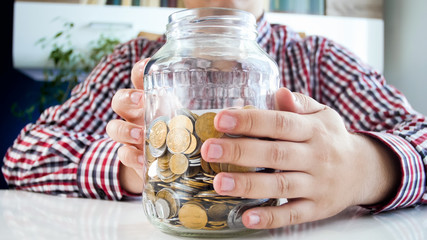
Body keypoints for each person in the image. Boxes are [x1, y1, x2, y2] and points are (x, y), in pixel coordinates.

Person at [2, 0, 426, 230]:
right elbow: (24, 154)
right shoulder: (134, 60)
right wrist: (141, 166)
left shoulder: (319, 58)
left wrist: (367, 166)